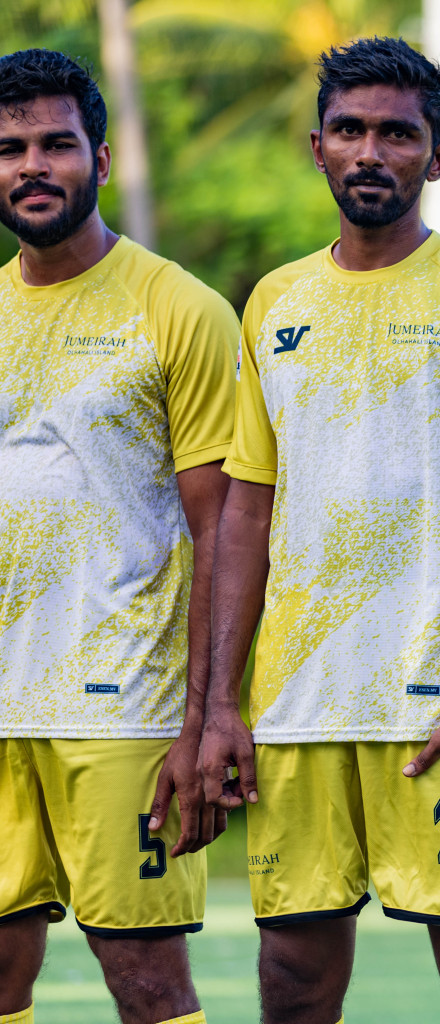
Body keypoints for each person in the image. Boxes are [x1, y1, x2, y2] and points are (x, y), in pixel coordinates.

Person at [198, 37, 440, 1024]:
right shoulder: (275, 300)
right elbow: (247, 509)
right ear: (317, 146)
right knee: (293, 978)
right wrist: (221, 705)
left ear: (437, 159)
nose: (372, 152)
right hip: (298, 705)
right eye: (351, 131)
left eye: (398, 134)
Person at [0, 48, 237, 1024]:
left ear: (99, 157)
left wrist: (209, 716)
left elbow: (224, 524)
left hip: (125, 701)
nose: (32, 166)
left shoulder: (177, 306)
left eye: (56, 144)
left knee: (143, 978)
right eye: (10, 148)